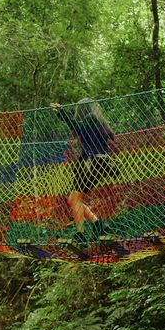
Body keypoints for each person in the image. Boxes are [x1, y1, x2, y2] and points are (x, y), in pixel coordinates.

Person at [51, 98, 118, 241]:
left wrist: (62, 113)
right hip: (100, 164)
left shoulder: (91, 118)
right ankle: (97, 224)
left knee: (74, 198)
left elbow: (78, 128)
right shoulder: (100, 121)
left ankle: (80, 234)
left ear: (82, 109)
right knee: (73, 199)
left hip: (90, 163)